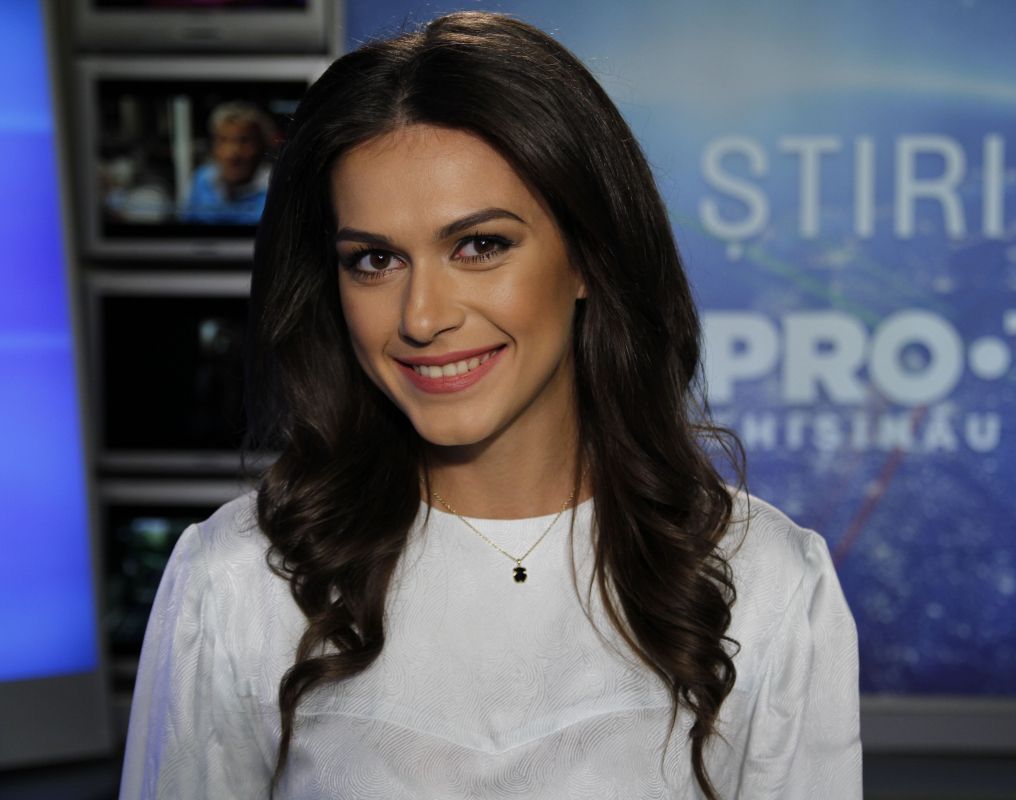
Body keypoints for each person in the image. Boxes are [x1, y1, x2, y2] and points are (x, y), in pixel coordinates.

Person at [120, 11, 861, 799]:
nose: (421, 317)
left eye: (479, 246)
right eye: (374, 259)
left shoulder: (767, 585)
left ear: (589, 256)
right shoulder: (237, 582)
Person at [179, 100, 274, 224]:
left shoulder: (275, 186)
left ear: (262, 146)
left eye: (244, 141)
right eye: (223, 140)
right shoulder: (201, 180)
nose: (232, 153)